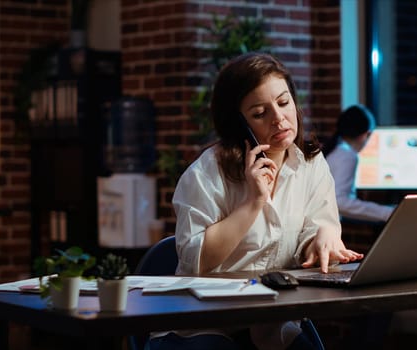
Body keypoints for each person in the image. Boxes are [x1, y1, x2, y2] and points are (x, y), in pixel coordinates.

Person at [150, 52, 363, 350]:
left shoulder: (310, 165)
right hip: (203, 320)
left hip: (271, 318)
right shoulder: (206, 172)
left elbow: (317, 229)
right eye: (261, 113)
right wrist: (253, 201)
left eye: (284, 102)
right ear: (240, 125)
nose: (279, 118)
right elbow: (197, 262)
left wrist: (325, 236)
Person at [323, 104, 395, 223]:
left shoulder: (335, 150)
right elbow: (340, 201)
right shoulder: (347, 156)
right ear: (365, 135)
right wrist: (387, 212)